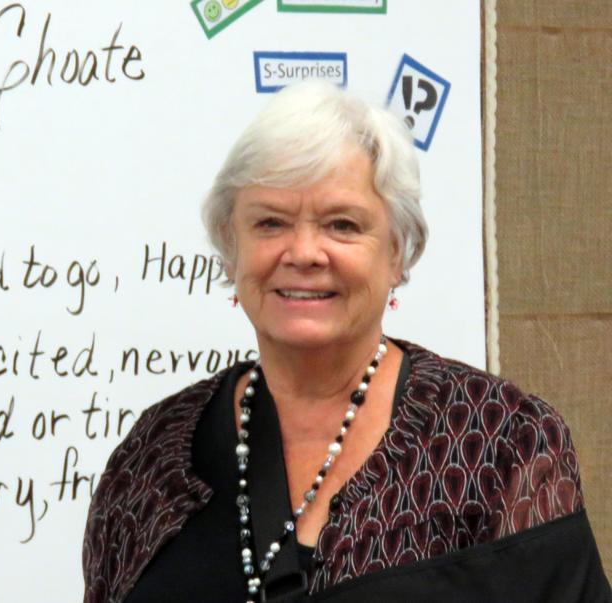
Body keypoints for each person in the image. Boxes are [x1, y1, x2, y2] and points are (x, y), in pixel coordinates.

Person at [82, 80, 610, 602]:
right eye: (270, 223)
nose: (305, 252)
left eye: (342, 225)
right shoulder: (153, 457)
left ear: (398, 253)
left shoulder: (501, 441)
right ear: (230, 249)